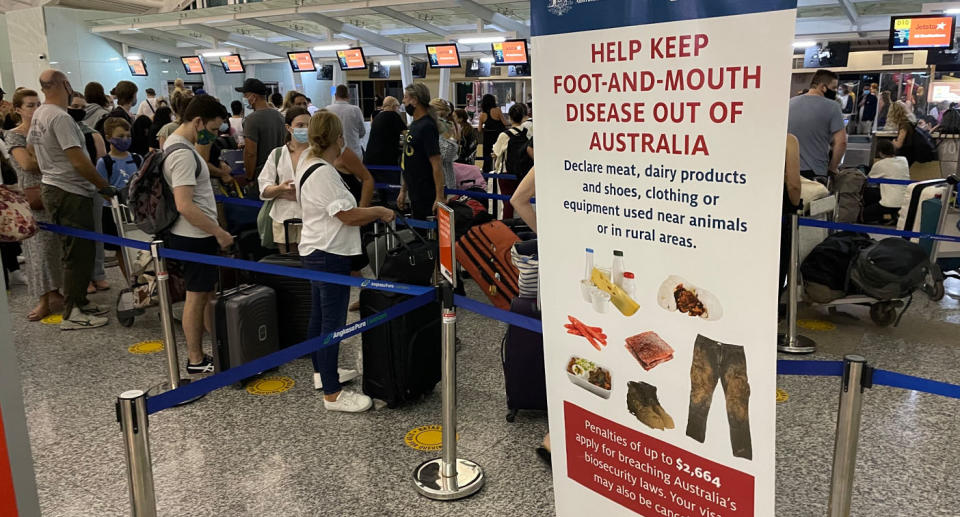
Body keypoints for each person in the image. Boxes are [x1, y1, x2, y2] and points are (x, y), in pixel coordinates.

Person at [296, 110, 394, 410]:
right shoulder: (324, 171)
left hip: (315, 249)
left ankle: (321, 372)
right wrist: (379, 212)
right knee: (333, 323)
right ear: (338, 138)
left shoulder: (306, 161)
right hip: (329, 253)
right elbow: (347, 216)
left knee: (319, 318)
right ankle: (332, 393)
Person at [29, 69, 115, 330]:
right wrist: (103, 185)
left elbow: (32, 149)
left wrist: (50, 166)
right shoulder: (60, 117)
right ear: (65, 84)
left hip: (54, 186)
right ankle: (73, 311)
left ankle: (79, 301)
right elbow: (79, 160)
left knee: (78, 251)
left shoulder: (40, 114)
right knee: (77, 253)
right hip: (70, 191)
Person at [162, 95, 234, 374]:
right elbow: (185, 204)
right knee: (195, 296)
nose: (214, 136)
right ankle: (195, 358)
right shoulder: (181, 154)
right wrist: (218, 232)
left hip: (193, 233)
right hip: (193, 235)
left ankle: (211, 348)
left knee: (204, 292)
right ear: (197, 121)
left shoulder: (176, 145)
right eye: (213, 129)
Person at [6, 88, 63, 320]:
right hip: (33, 194)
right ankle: (43, 299)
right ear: (18, 109)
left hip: (54, 190)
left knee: (57, 247)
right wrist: (50, 160)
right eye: (30, 105)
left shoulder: (45, 131)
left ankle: (58, 292)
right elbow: (27, 165)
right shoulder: (14, 135)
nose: (35, 108)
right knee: (39, 249)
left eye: (38, 103)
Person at [258, 107, 310, 253]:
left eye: (309, 125)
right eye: (300, 125)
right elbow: (264, 189)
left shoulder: (317, 154)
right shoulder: (277, 154)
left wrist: (298, 194)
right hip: (282, 218)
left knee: (310, 264)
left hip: (311, 219)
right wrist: (280, 189)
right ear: (288, 128)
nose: (305, 129)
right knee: (288, 265)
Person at [95, 117, 142, 279]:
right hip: (113, 211)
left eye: (128, 136)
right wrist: (116, 200)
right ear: (109, 138)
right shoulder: (104, 162)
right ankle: (130, 280)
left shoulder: (136, 159)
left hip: (135, 208)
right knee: (121, 249)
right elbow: (102, 188)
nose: (125, 140)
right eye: (120, 136)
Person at [786, 69, 846, 182]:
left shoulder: (789, 103)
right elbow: (841, 142)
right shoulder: (833, 107)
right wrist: (832, 168)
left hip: (789, 172)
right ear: (823, 87)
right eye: (833, 88)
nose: (835, 92)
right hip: (816, 172)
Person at [398, 83, 443, 219]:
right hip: (413, 188)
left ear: (415, 100)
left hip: (426, 190)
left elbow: (436, 164)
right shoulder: (414, 125)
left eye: (406, 97)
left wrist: (439, 196)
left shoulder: (427, 126)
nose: (403, 101)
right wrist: (403, 190)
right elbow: (408, 161)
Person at [237, 79, 286, 189]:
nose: (244, 99)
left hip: (262, 174)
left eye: (245, 95)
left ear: (253, 97)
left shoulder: (251, 120)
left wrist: (249, 177)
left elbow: (251, 153)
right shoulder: (280, 116)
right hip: (281, 171)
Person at [493, 103, 533, 218]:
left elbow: (496, 152)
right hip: (523, 172)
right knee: (524, 201)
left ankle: (508, 228)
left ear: (510, 117)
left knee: (508, 203)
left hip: (506, 173)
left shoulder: (505, 135)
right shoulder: (528, 132)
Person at [863, 140, 909, 225]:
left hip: (889, 204)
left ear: (880, 153)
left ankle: (880, 217)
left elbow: (868, 179)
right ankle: (894, 215)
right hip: (905, 201)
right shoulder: (903, 160)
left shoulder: (880, 164)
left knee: (864, 210)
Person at [364, 96, 406, 167]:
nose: (398, 109)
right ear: (393, 106)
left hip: (370, 159)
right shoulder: (393, 115)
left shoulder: (377, 116)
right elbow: (406, 133)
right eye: (397, 107)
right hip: (385, 161)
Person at [326, 85, 366, 158]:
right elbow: (362, 132)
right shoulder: (355, 110)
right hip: (354, 152)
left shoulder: (327, 110)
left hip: (334, 154)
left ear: (335, 95)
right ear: (348, 96)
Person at [429, 98, 460, 191]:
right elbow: (447, 153)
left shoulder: (445, 126)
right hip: (438, 180)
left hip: (444, 176)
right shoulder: (431, 127)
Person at [479, 93, 507, 172]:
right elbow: (505, 123)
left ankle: (486, 176)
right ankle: (499, 172)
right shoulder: (497, 110)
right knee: (499, 155)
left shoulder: (482, 115)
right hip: (498, 137)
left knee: (487, 157)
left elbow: (479, 130)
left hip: (487, 138)